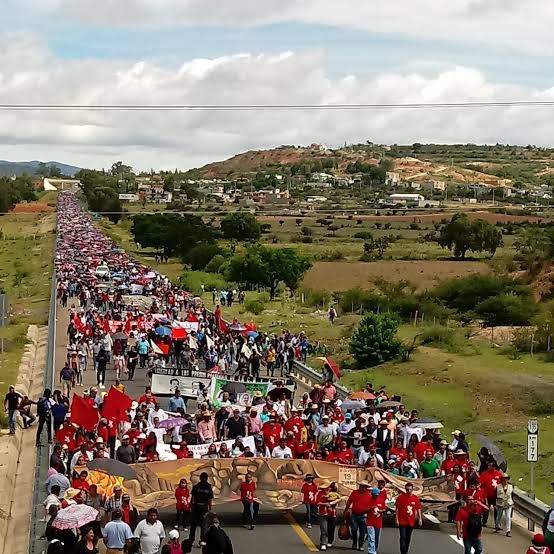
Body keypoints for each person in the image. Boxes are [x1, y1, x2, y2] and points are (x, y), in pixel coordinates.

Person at [395, 482, 422, 554]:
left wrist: (420, 519)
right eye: (407, 490)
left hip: (411, 521)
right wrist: (397, 519)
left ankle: (406, 550)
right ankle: (402, 551)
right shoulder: (400, 497)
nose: (409, 491)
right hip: (402, 521)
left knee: (408, 537)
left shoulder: (415, 498)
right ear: (405, 489)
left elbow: (418, 508)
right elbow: (397, 509)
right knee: (403, 537)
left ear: (412, 489)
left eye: (410, 489)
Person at [344, 480, 371, 551]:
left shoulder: (369, 495)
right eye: (361, 486)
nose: (362, 488)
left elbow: (371, 505)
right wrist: (346, 510)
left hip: (363, 515)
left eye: (363, 487)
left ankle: (361, 544)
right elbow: (349, 501)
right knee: (354, 529)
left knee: (362, 531)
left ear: (366, 487)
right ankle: (354, 543)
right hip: (354, 514)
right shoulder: (354, 492)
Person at [189, 472, 214, 547]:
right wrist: (210, 508)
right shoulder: (208, 488)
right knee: (204, 525)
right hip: (204, 507)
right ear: (207, 479)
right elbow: (210, 499)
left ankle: (191, 540)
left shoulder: (196, 487)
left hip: (196, 507)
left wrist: (191, 506)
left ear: (200, 478)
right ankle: (203, 540)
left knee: (193, 525)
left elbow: (192, 498)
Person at [316, 481, 340, 551]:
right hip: (323, 513)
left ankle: (330, 541)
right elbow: (317, 503)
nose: (328, 488)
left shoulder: (335, 494)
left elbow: (339, 500)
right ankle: (323, 543)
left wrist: (334, 502)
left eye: (329, 487)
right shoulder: (320, 493)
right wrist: (325, 504)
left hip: (332, 514)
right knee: (324, 529)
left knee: (331, 529)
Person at [365, 487, 386, 554]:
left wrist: (380, 511)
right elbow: (364, 509)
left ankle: (374, 548)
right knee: (371, 537)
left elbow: (384, 509)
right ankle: (371, 551)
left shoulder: (381, 500)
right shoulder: (368, 500)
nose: (375, 496)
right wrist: (370, 508)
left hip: (378, 522)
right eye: (374, 494)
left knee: (376, 537)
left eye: (377, 495)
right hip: (370, 521)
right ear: (372, 494)